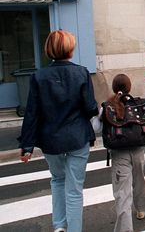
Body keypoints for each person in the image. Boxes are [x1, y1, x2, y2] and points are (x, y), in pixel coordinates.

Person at [18, 30, 98, 232]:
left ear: (49, 50)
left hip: (50, 139)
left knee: (57, 180)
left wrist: (26, 145)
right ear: (70, 48)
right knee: (74, 189)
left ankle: (60, 225)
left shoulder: (38, 76)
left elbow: (32, 112)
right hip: (77, 137)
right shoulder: (81, 73)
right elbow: (90, 108)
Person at [101, 74, 145, 232]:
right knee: (139, 179)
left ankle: (125, 229)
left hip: (119, 153)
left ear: (113, 88)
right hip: (139, 149)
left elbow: (97, 127)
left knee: (122, 194)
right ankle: (142, 207)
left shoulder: (108, 106)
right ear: (129, 88)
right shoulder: (138, 104)